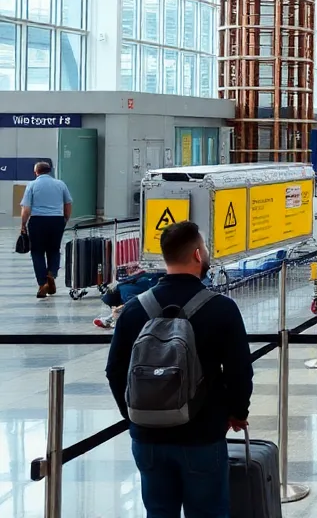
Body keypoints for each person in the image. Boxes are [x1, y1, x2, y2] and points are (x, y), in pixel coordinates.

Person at [105, 221, 253, 516]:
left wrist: (135, 415)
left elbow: (114, 370)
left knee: (158, 512)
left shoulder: (135, 309)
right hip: (202, 434)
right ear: (198, 255)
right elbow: (240, 371)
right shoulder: (221, 308)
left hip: (148, 439)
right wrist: (237, 412)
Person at [20, 161, 72, 297]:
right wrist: (65, 219)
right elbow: (68, 203)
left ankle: (42, 283)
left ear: (36, 172)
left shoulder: (32, 185)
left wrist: (23, 225)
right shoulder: (60, 184)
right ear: (50, 171)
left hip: (37, 221)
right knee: (54, 249)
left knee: (37, 252)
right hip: (56, 220)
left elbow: (26, 208)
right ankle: (51, 274)